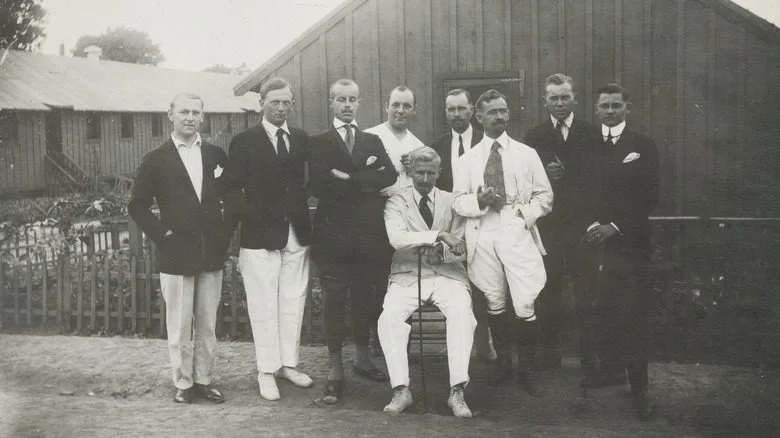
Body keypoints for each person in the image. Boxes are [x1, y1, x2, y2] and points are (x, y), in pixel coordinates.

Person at [128, 93, 229, 404]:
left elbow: (231, 198)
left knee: (207, 324)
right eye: (183, 111)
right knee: (180, 323)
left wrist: (223, 236)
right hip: (175, 252)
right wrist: (164, 235)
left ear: (202, 117)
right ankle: (183, 383)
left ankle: (204, 380)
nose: (189, 117)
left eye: (195, 112)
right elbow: (138, 206)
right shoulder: (156, 158)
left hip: (209, 251)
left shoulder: (215, 155)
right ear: (169, 115)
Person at [452, 89, 553, 397]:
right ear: (478, 117)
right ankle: (504, 367)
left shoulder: (526, 153)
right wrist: (478, 201)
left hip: (516, 226)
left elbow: (545, 196)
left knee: (524, 302)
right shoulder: (467, 159)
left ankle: (528, 370)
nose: (500, 117)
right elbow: (458, 201)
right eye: (493, 112)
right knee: (494, 300)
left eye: (504, 111)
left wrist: (524, 215)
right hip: (483, 230)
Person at [221, 78, 314, 401]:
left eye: (286, 102)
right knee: (263, 304)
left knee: (292, 300)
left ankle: (288, 364)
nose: (281, 108)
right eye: (274, 102)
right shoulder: (244, 141)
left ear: (292, 104)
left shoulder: (300, 138)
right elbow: (230, 188)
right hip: (260, 236)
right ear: (262, 103)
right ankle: (266, 370)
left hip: (296, 233)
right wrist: (253, 215)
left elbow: (305, 182)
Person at [309, 79, 398, 404]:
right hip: (332, 238)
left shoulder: (371, 140)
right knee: (334, 299)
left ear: (359, 103)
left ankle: (362, 357)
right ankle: (335, 368)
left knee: (365, 298)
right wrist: (365, 182)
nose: (347, 105)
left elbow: (389, 175)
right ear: (331, 103)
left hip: (367, 237)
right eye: (340, 99)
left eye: (352, 99)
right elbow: (318, 185)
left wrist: (349, 178)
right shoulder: (319, 142)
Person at [578, 83, 659, 420]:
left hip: (630, 244)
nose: (610, 111)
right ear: (596, 109)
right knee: (603, 310)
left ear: (628, 106)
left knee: (633, 314)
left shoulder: (643, 146)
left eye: (616, 105)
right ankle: (610, 371)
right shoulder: (586, 143)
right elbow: (579, 190)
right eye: (604, 106)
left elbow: (650, 197)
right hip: (594, 242)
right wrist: (593, 226)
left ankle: (639, 386)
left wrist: (615, 227)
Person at [378, 146, 477, 418]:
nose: (423, 178)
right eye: (418, 172)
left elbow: (461, 245)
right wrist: (438, 236)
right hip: (407, 275)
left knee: (461, 314)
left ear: (439, 172)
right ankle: (401, 389)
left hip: (447, 275)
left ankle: (457, 390)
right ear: (410, 172)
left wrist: (443, 247)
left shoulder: (452, 200)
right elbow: (396, 239)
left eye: (429, 173)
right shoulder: (396, 201)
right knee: (389, 317)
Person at [523, 74, 601, 372]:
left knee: (587, 292)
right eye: (553, 98)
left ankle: (589, 355)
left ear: (574, 99)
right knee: (548, 290)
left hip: (582, 226)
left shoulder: (591, 133)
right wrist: (545, 172)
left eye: (564, 97)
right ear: (545, 101)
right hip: (550, 227)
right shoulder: (534, 136)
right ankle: (549, 353)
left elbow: (599, 179)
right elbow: (526, 181)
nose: (559, 103)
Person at [429, 89, 494, 363]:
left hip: (482, 221)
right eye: (451, 109)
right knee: (454, 283)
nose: (456, 114)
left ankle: (484, 343)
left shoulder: (486, 142)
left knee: (481, 283)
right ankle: (459, 345)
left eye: (461, 108)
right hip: (450, 226)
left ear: (471, 111)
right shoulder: (437, 146)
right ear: (446, 112)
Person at [364, 85, 425, 198]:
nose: (401, 111)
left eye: (407, 106)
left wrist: (415, 169)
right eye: (396, 105)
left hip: (407, 207)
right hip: (375, 205)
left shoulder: (419, 146)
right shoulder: (368, 137)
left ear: (414, 110)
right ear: (387, 107)